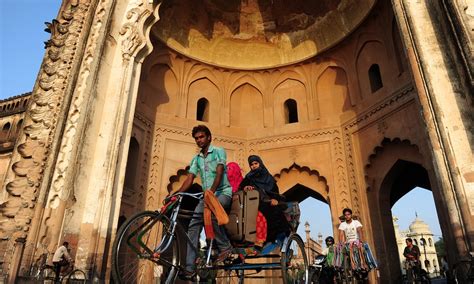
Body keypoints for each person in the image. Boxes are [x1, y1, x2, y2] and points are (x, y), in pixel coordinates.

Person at [177, 125, 233, 280]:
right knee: (193, 225)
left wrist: (212, 191)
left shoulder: (219, 151)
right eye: (196, 138)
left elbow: (220, 171)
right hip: (207, 197)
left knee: (213, 212)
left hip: (222, 193)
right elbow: (190, 178)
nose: (199, 140)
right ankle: (189, 268)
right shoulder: (196, 159)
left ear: (209, 137)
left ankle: (225, 246)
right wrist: (177, 194)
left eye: (201, 137)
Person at [239, 155, 290, 242]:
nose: (254, 166)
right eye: (252, 164)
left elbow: (275, 192)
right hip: (253, 204)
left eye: (256, 163)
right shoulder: (248, 177)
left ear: (260, 163)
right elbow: (240, 188)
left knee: (273, 211)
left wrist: (274, 200)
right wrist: (245, 188)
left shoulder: (268, 178)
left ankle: (270, 239)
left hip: (268, 202)